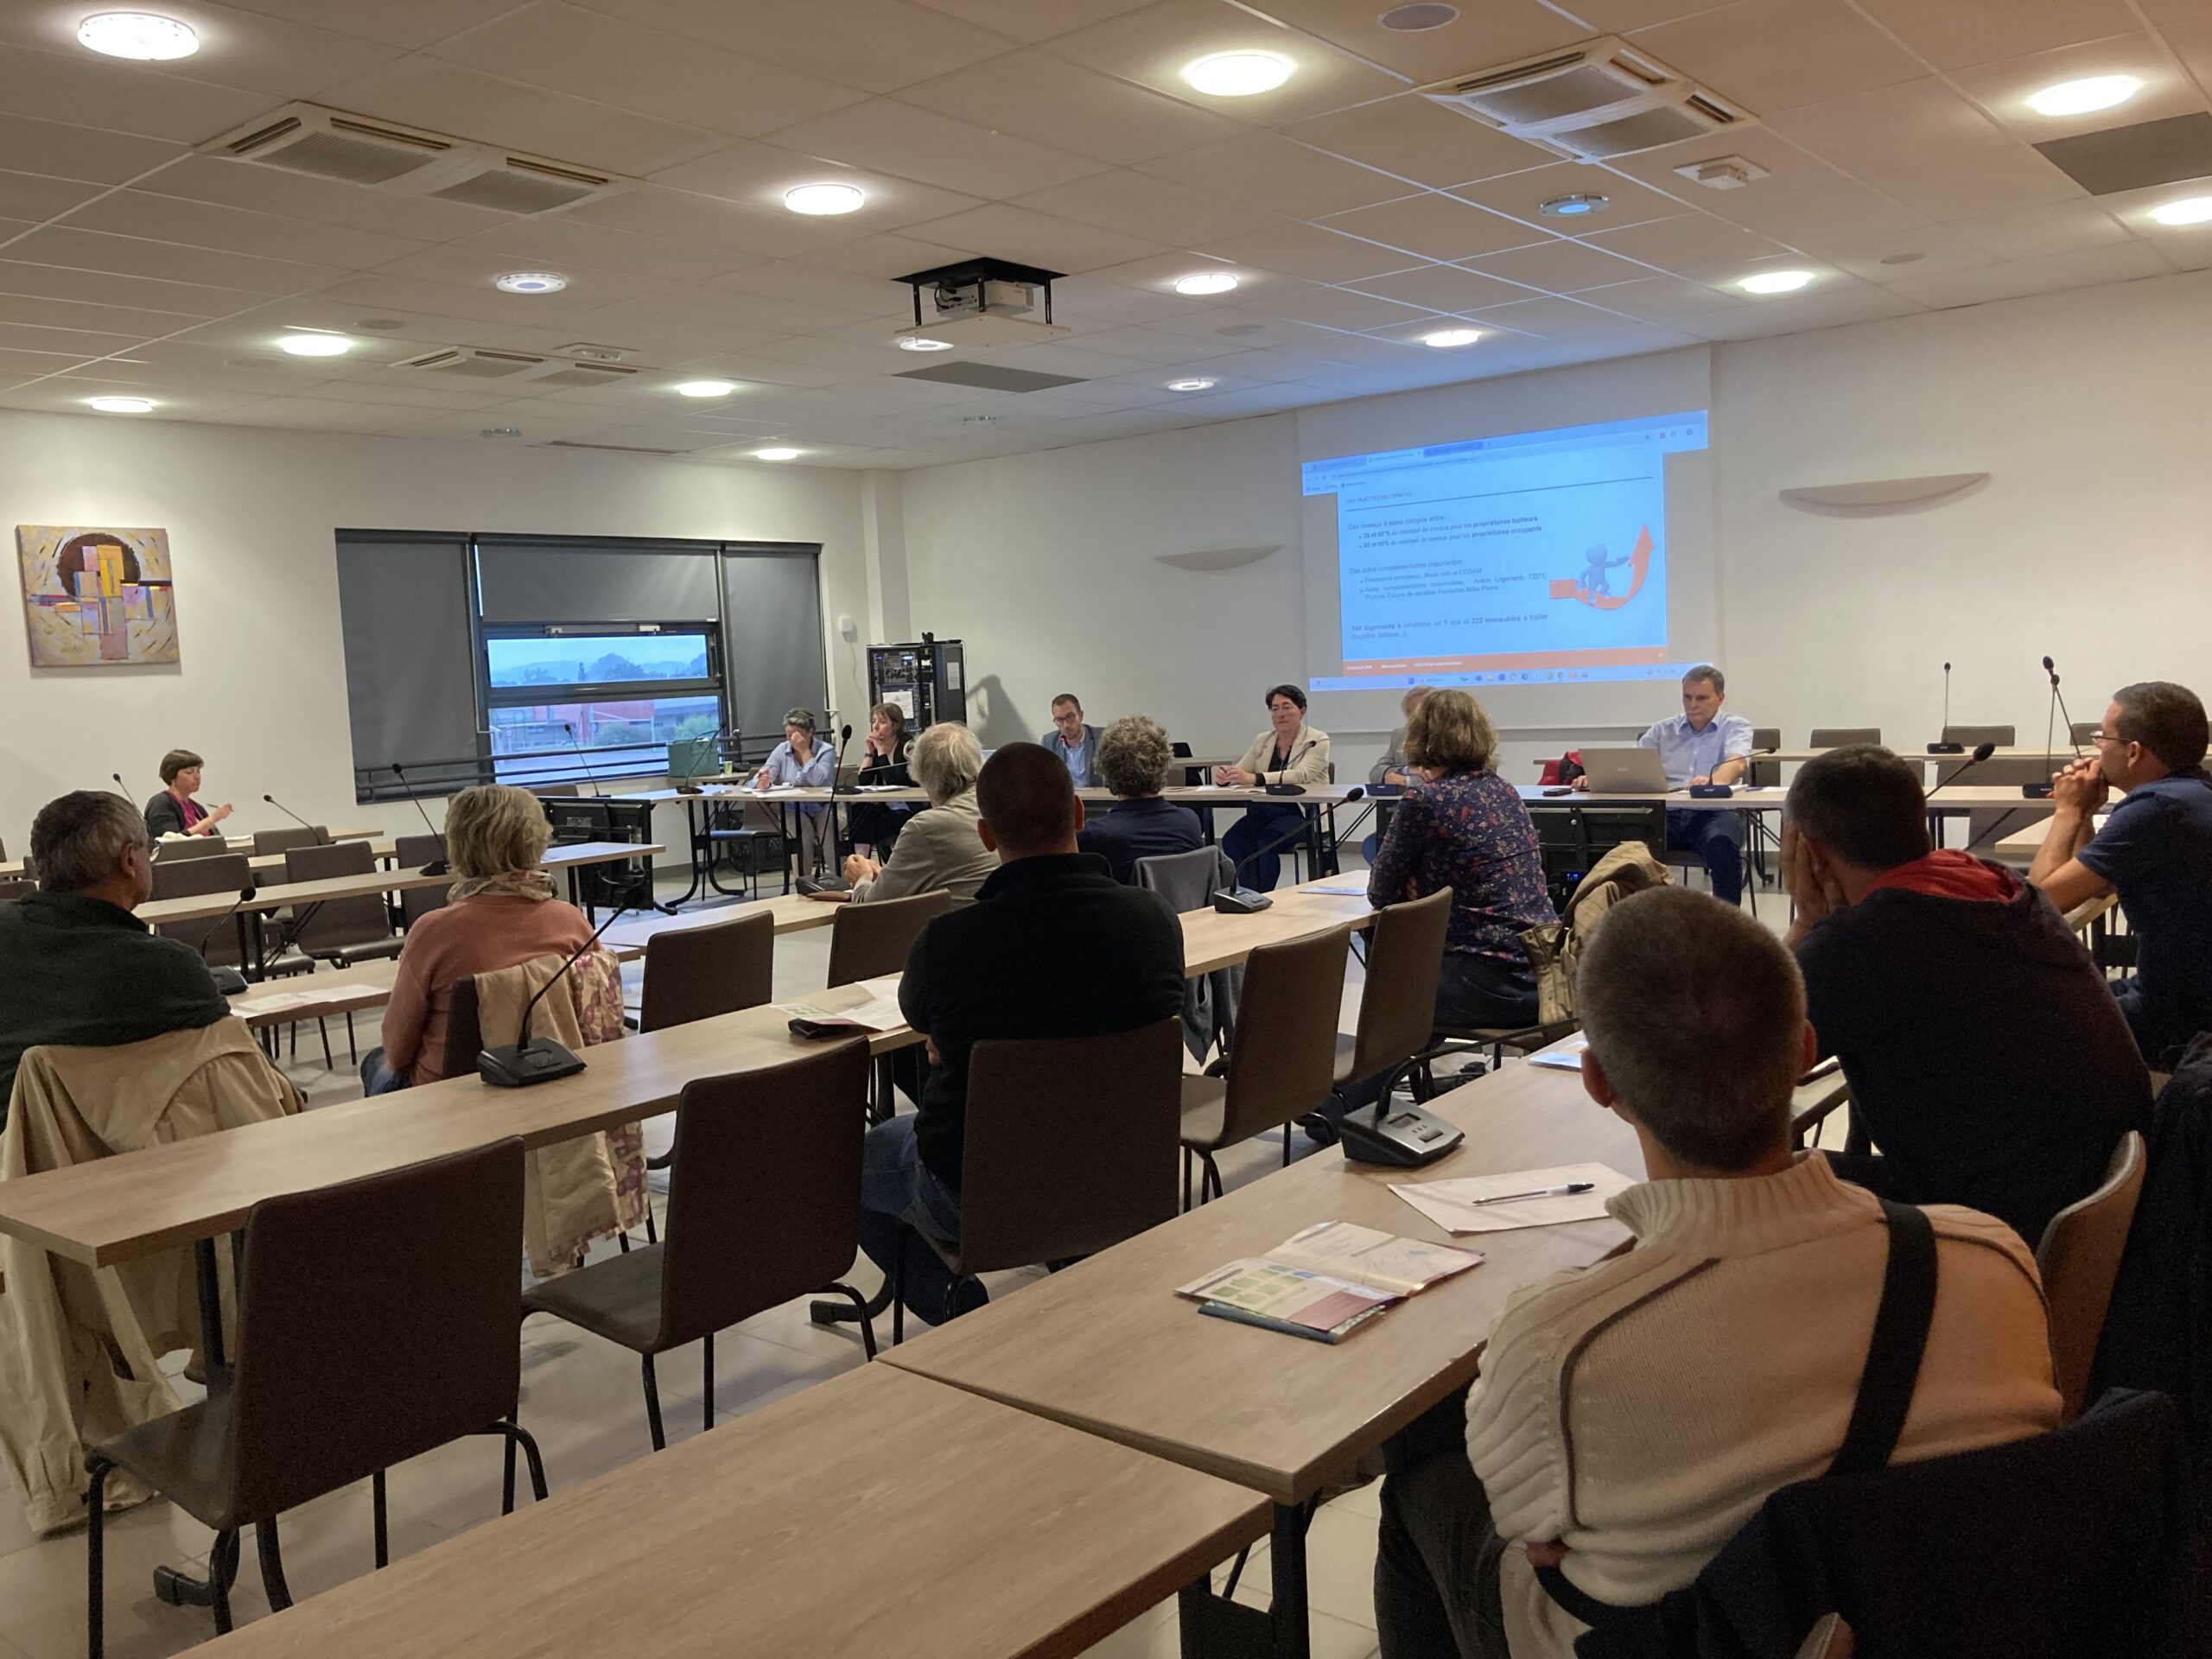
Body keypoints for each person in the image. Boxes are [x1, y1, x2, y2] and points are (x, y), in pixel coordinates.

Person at [1372, 887, 2060, 1658]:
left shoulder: (1560, 1349)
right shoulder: (1994, 1260)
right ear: (1805, 1051)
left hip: (1660, 1641)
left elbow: (1525, 1526)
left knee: (1418, 1488)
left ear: (1599, 1084)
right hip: (1933, 1621)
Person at [858, 744, 1185, 1325]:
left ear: (986, 835)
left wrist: (946, 1035)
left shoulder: (949, 944)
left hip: (982, 1189)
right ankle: (1070, 1256)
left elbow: (918, 1016)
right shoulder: (1155, 921)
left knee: (852, 1163)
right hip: (1124, 1169)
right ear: (1078, 813)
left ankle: (959, 1313)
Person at [1782, 746, 2149, 1243]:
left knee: (1761, 1181)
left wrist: (1806, 922)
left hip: (1992, 1229)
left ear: (1811, 851)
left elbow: (1724, 1072)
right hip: (2099, 1203)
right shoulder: (2000, 885)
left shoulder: (1858, 943)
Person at [0, 791, 232, 1128]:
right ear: (129, 861)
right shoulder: (166, 967)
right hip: (107, 1148)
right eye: (149, 850)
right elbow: (232, 1069)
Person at [364, 783, 595, 1092]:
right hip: (554, 1076)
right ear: (537, 841)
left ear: (459, 845)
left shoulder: (433, 931)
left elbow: (397, 1050)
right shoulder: (571, 921)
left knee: (375, 1062)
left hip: (452, 1091)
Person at [2029, 681, 2212, 1067]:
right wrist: (2085, 813)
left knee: (2026, 1021)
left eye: (2103, 737)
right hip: (2182, 991)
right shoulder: (2192, 791)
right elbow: (2098, 886)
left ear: (2133, 752)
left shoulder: (2155, 809)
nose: (2096, 748)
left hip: (2182, 1015)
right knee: (2062, 997)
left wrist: (2066, 811)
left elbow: (2040, 902)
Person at [1367, 690, 1556, 1031]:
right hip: (1544, 973)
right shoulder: (1503, 790)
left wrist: (1423, 887)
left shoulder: (1425, 799)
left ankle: (1378, 1066)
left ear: (1420, 736)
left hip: (1488, 984)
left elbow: (1381, 893)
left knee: (1389, 987)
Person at [1580, 664, 1751, 905]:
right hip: (1665, 815)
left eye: (1701, 698)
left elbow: (1737, 762)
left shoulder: (1736, 726)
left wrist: (1713, 781)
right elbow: (1630, 763)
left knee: (1721, 845)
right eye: (1687, 697)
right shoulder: (1663, 729)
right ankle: (1625, 914)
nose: (1693, 704)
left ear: (1720, 698)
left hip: (1714, 813)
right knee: (1619, 843)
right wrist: (1596, 777)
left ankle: (1726, 920)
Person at [840, 721, 996, 908]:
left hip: (958, 923)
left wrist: (861, 878)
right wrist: (888, 877)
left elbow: (872, 907)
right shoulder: (997, 804)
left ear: (922, 775)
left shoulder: (927, 827)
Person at [1217, 683, 1332, 893]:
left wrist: (1255, 778)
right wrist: (1227, 776)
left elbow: (1301, 775)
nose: (1280, 714)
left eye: (1287, 707)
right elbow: (1243, 770)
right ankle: (1249, 893)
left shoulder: (1317, 740)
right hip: (1264, 812)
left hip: (1303, 814)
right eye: (1275, 708)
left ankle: (1263, 895)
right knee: (1232, 840)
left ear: (1302, 710)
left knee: (1265, 842)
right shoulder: (1263, 740)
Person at [1077, 715, 1204, 884]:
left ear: (1106, 769)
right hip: (1185, 902)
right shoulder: (1190, 823)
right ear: (1163, 764)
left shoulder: (1094, 836)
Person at [753, 707, 835, 873]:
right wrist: (761, 781)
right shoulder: (781, 750)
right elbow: (760, 777)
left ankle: (841, 880)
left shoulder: (826, 750)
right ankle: (803, 882)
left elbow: (817, 781)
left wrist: (804, 751)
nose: (792, 740)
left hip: (823, 806)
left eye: (797, 735)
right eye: (789, 735)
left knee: (829, 830)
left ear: (810, 732)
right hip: (793, 809)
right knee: (802, 833)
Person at [1364, 684, 1433, 865]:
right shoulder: (1400, 735)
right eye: (1411, 713)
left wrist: (1408, 781)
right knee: (1373, 846)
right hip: (1402, 815)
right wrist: (1405, 770)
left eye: (1422, 710)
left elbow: (1439, 777)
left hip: (1433, 817)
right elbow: (1376, 773)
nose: (1416, 717)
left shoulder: (1448, 738)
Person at [844, 701, 912, 857]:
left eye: (882, 722)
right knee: (859, 812)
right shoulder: (877, 746)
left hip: (908, 808)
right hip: (887, 807)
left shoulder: (908, 746)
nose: (875, 727)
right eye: (873, 721)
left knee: (868, 825)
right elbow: (864, 781)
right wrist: (869, 752)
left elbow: (896, 781)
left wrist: (881, 752)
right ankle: (861, 861)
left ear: (895, 725)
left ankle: (867, 861)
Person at [141, 748, 232, 840]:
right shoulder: (160, 803)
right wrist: (212, 819)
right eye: (189, 772)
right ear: (172, 776)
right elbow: (171, 841)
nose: (197, 777)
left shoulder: (198, 809)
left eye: (198, 771)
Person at [1040, 693, 1103, 788]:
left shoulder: (1101, 738)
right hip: (1064, 796)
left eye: (1070, 717)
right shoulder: (1048, 742)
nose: (1066, 725)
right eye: (1059, 720)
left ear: (1080, 716)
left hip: (1096, 796)